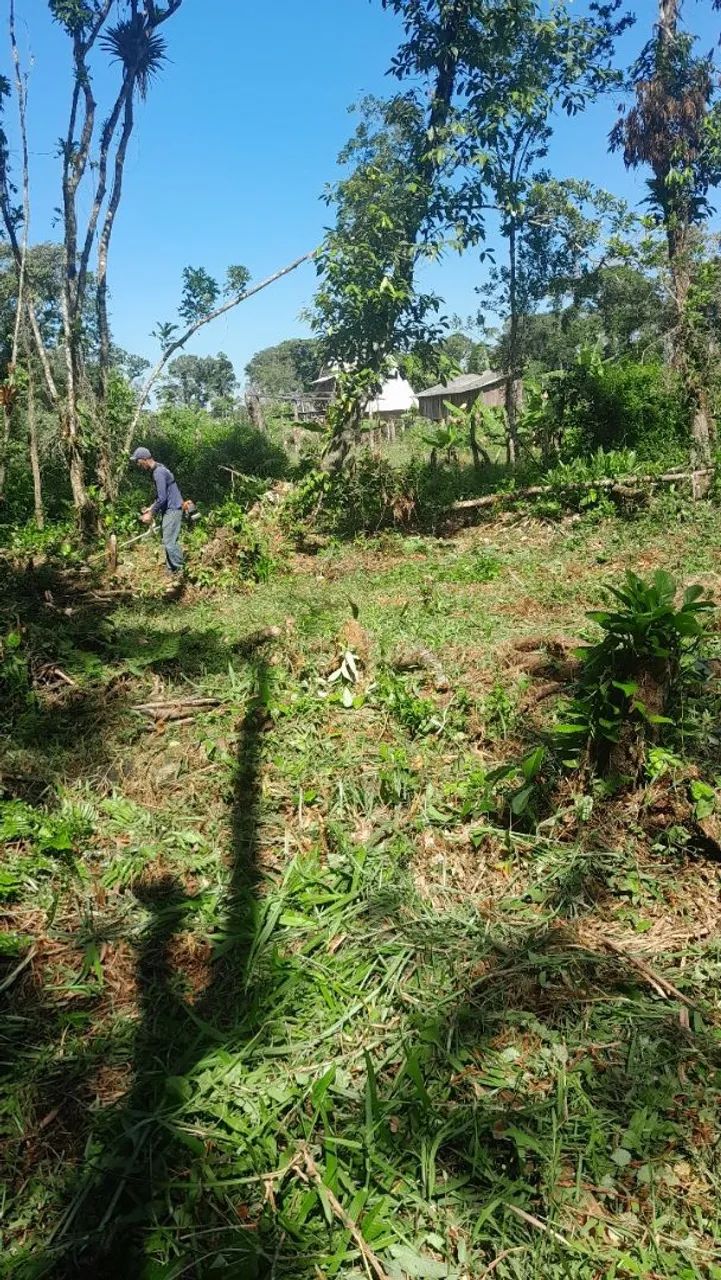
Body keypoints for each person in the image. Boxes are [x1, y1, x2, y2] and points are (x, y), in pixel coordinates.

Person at [130, 447, 185, 585]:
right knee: (168, 540)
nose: (138, 465)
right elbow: (162, 495)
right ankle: (171, 571)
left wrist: (151, 513)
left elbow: (162, 498)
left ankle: (180, 573)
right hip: (171, 508)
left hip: (172, 509)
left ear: (144, 460)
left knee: (169, 542)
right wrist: (151, 507)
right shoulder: (159, 468)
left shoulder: (158, 473)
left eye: (138, 462)